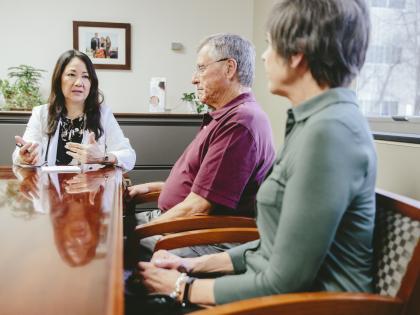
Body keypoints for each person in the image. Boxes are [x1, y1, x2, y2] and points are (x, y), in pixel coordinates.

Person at [137, 0, 376, 309]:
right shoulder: (314, 123)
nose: (263, 56)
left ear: (298, 54)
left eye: (270, 45)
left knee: (133, 295)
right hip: (281, 291)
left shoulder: (330, 132)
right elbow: (270, 247)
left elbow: (284, 281)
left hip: (313, 304)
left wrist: (182, 287)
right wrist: (192, 266)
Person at [128, 33, 275, 258]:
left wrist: (135, 234)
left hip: (203, 235)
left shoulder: (239, 123)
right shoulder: (227, 116)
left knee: (114, 245)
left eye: (201, 68)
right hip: (178, 220)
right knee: (110, 226)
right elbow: (203, 185)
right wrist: (151, 189)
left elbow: (198, 206)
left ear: (229, 68)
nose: (194, 79)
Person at [12, 49, 135, 171]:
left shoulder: (104, 115)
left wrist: (102, 157)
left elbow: (129, 156)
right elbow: (21, 154)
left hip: (91, 189)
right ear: (59, 78)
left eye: (86, 76)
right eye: (71, 74)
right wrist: (24, 157)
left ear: (91, 82)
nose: (79, 83)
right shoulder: (41, 113)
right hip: (49, 188)